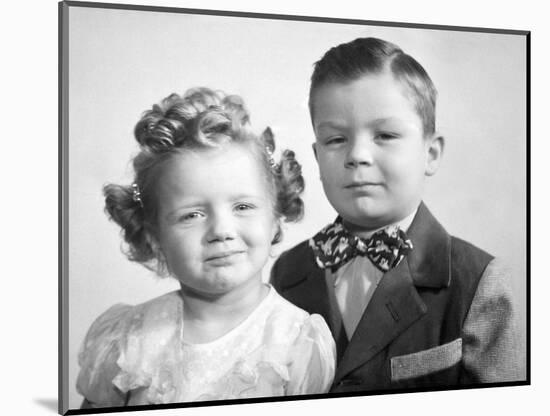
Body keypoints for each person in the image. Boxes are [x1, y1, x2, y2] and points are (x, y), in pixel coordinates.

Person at [271, 37, 524, 392]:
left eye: (385, 135)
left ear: (430, 153)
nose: (357, 155)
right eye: (335, 140)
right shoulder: (288, 273)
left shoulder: (477, 282)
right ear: (316, 158)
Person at [76, 87, 336, 408]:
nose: (221, 231)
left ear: (275, 217)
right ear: (154, 236)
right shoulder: (128, 339)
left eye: (242, 206)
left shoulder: (296, 341)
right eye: (192, 215)